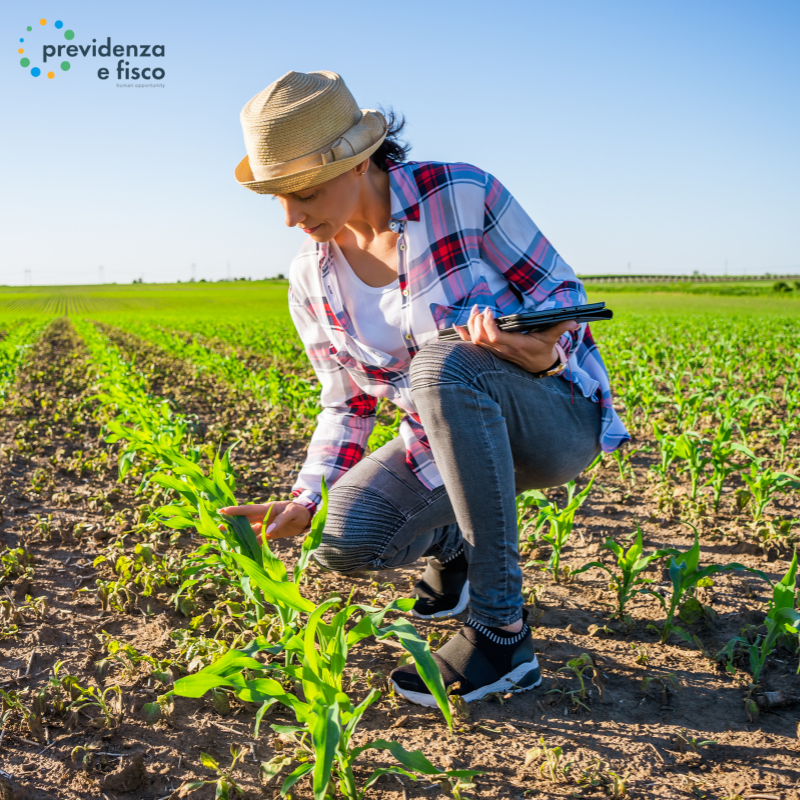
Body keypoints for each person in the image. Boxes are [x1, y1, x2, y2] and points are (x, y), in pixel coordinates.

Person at [220, 70, 629, 706]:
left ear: (358, 162)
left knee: (442, 363)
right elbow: (349, 402)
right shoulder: (310, 277)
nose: (291, 216)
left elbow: (562, 294)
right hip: (442, 444)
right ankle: (454, 546)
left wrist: (540, 348)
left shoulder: (461, 193)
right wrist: (306, 498)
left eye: (304, 192)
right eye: (277, 197)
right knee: (339, 539)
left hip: (550, 414)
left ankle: (500, 633)